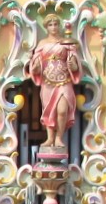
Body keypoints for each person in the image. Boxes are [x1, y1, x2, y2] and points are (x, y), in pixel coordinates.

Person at [29, 13, 81, 149]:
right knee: (49, 110)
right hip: (48, 82)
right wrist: (35, 68)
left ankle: (59, 137)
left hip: (64, 80)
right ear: (46, 27)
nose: (53, 27)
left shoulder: (66, 42)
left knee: (62, 110)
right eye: (50, 25)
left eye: (56, 24)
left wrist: (74, 66)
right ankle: (50, 137)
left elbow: (73, 59)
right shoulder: (42, 44)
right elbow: (36, 62)